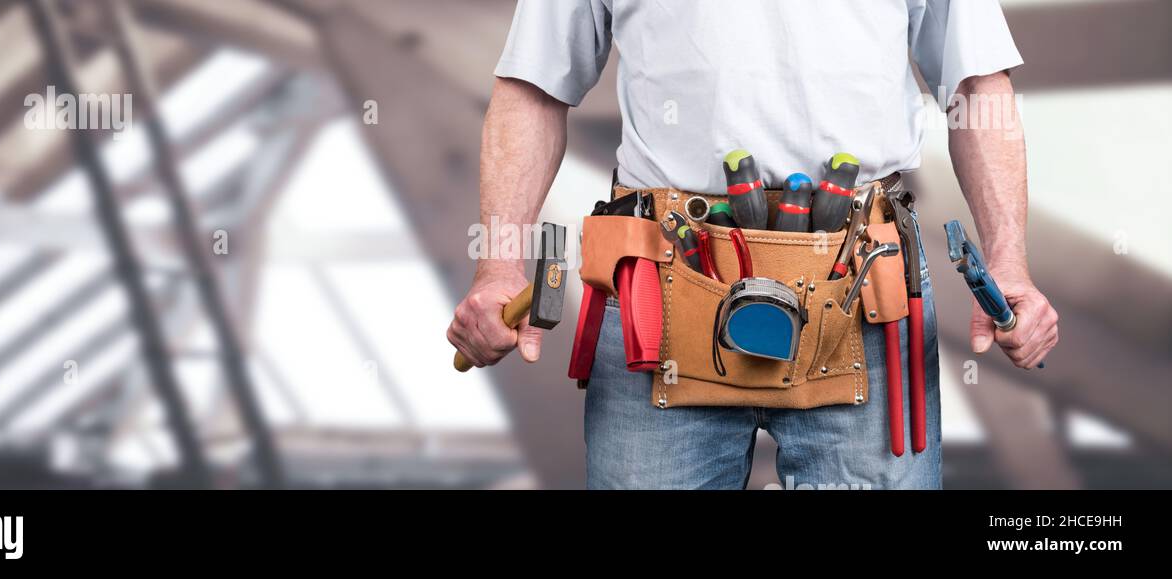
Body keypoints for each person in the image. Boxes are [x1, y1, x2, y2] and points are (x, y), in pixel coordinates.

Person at [446, 0, 1059, 489]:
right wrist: (498, 265)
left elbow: (978, 84)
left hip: (863, 288)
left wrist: (1008, 264)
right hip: (659, 293)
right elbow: (533, 86)